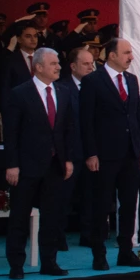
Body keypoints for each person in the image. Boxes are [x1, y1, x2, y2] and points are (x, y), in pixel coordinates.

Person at [2, 47, 77, 279]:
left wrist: (68, 159)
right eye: (53, 63)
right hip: (26, 166)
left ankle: (49, 262)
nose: (58, 67)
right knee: (19, 217)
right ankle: (16, 264)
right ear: (39, 67)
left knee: (52, 217)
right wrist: (12, 164)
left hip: (55, 165)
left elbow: (67, 130)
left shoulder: (64, 92)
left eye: (58, 63)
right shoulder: (19, 93)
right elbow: (11, 133)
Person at [79, 38, 140, 270]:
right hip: (104, 154)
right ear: (111, 55)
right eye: (126, 52)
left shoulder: (132, 79)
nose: (131, 57)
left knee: (129, 204)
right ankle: (99, 254)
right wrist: (90, 153)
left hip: (130, 153)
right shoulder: (93, 81)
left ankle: (126, 251)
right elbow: (86, 120)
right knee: (101, 205)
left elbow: (137, 116)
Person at [58, 46, 93, 250]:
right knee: (64, 197)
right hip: (71, 152)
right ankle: (58, 235)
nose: (90, 67)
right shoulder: (63, 88)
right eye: (85, 64)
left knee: (90, 196)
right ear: (73, 66)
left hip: (92, 152)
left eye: (92, 64)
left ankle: (88, 234)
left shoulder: (96, 86)